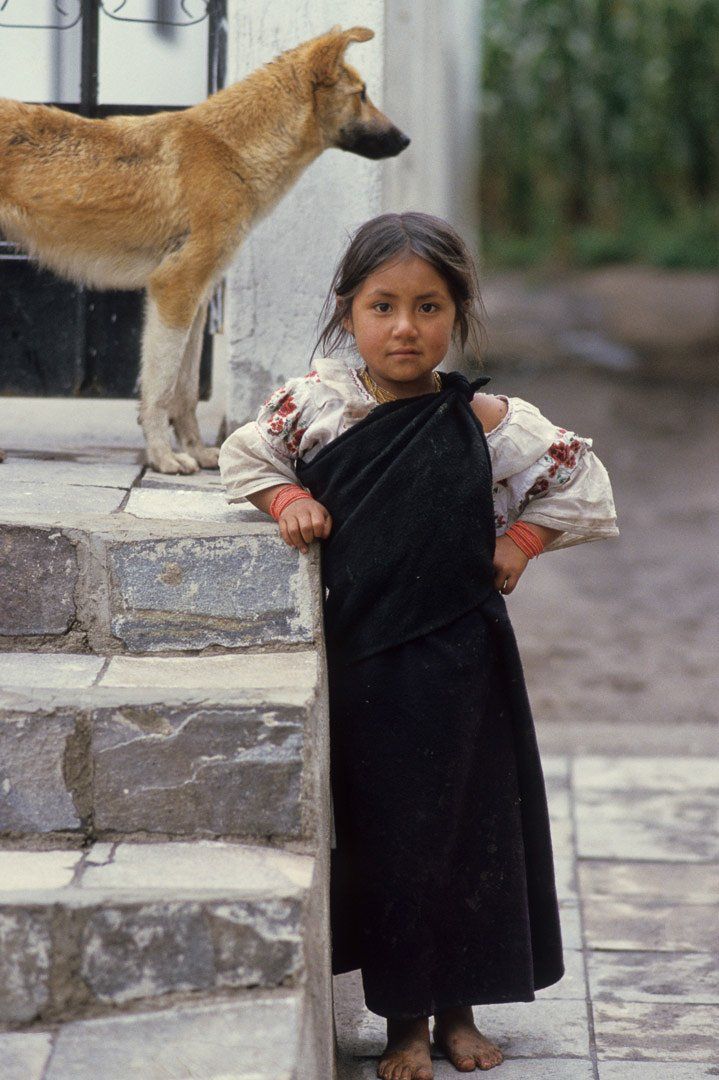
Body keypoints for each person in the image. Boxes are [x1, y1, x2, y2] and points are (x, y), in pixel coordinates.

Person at [219, 212, 619, 1080]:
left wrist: (521, 543)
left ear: (457, 312)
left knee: (468, 830)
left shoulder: (480, 419)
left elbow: (578, 479)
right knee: (390, 838)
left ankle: (459, 1013)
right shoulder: (317, 409)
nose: (405, 327)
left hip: (466, 662)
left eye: (429, 307)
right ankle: (402, 1025)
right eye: (383, 306)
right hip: (368, 666)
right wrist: (288, 503)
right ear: (346, 311)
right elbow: (245, 456)